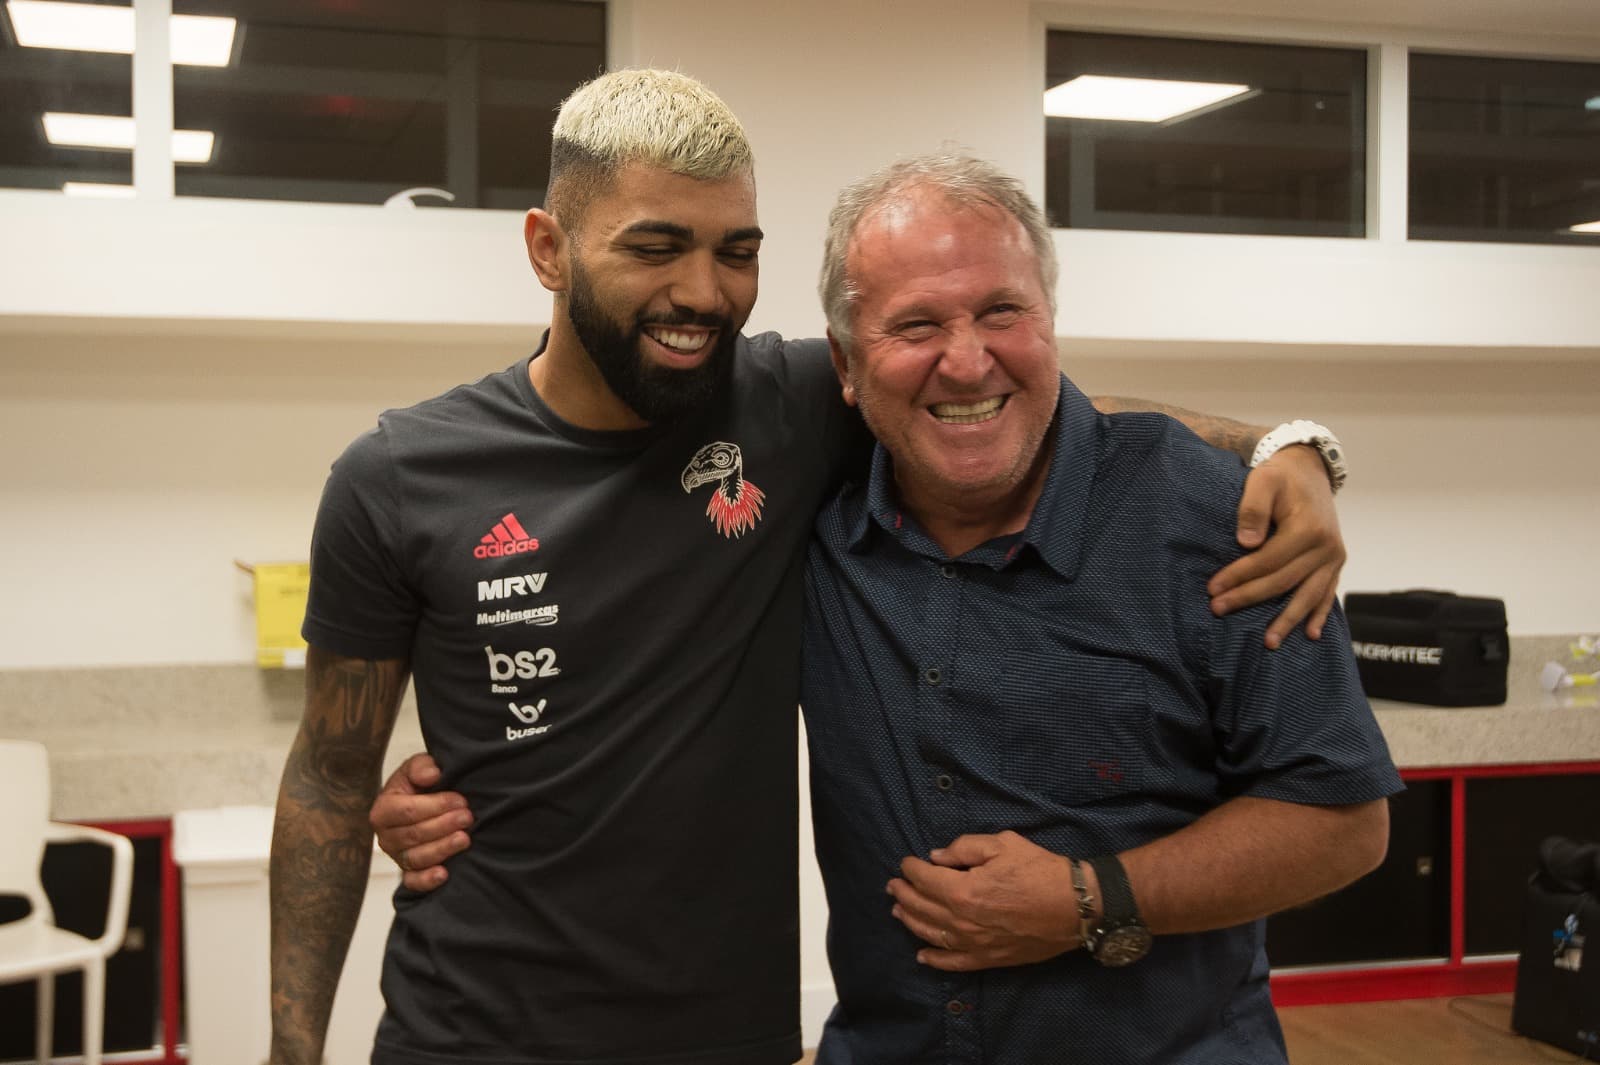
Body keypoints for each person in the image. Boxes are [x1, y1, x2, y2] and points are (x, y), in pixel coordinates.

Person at [275, 70, 1349, 1065]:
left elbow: (1008, 403)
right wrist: (291, 1053)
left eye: (734, 250)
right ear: (548, 249)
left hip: (729, 1038)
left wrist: (1284, 447)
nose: (703, 292)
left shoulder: (785, 407)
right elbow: (328, 776)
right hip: (469, 1031)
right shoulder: (399, 476)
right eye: (656, 247)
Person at [796, 153, 1400, 1062]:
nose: (966, 360)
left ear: (1048, 318)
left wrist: (1092, 896)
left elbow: (1344, 820)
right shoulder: (805, 512)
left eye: (1002, 311)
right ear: (845, 363)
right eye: (916, 323)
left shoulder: (1219, 520)